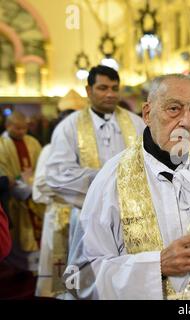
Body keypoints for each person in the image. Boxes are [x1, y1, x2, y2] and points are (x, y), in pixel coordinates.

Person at [64, 74, 190, 300]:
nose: (187, 122)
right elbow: (80, 277)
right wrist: (156, 266)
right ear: (147, 114)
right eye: (174, 109)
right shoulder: (111, 179)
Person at [45, 65, 146, 248]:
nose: (110, 94)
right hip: (89, 214)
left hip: (132, 214)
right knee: (93, 270)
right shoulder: (69, 126)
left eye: (115, 88)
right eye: (103, 88)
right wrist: (106, 181)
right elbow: (57, 174)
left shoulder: (136, 123)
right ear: (88, 90)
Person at [33, 109, 78, 298]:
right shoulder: (50, 149)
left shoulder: (81, 150)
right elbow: (41, 184)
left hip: (79, 214)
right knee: (57, 265)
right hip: (58, 214)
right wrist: (72, 188)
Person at [0, 111, 43, 271]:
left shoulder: (33, 142)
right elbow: (3, 173)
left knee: (36, 235)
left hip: (34, 195)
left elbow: (41, 166)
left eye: (24, 128)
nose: (22, 132)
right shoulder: (1, 145)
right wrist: (23, 189)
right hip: (13, 200)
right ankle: (19, 268)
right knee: (18, 236)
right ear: (7, 125)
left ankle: (34, 267)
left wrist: (35, 185)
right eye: (17, 128)